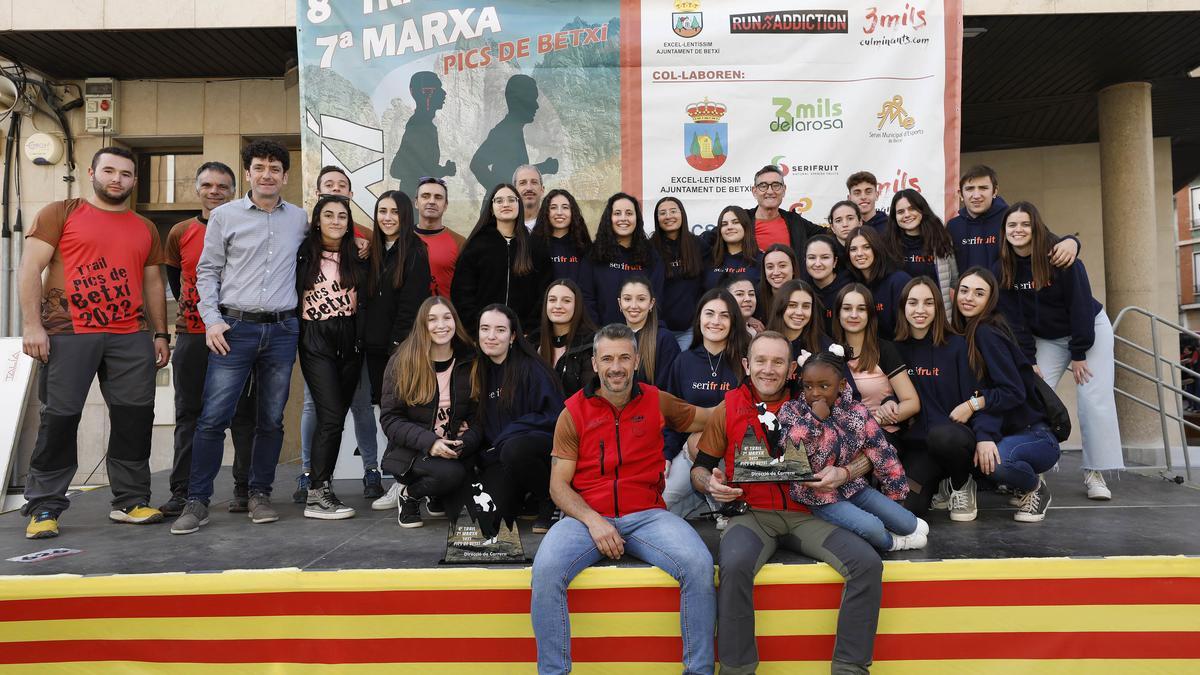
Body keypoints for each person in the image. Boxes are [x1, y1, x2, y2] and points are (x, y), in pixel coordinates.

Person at [690, 331, 884, 675]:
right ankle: (737, 669)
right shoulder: (729, 406)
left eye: (778, 362)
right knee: (733, 567)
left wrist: (844, 471)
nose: (769, 369)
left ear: (792, 368)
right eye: (761, 361)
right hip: (753, 516)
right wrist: (711, 482)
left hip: (810, 513)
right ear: (747, 365)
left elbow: (873, 453)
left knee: (867, 563)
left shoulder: (819, 398)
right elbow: (700, 468)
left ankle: (850, 668)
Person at [532, 323, 715, 675]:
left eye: (624, 358)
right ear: (596, 363)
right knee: (546, 571)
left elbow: (709, 418)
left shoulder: (656, 399)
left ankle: (699, 670)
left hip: (648, 516)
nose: (616, 366)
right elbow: (558, 487)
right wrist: (593, 521)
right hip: (585, 519)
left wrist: (752, 404)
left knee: (699, 564)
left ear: (635, 361)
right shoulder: (572, 412)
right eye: (608, 359)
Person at [19, 146, 171, 539]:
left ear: (134, 180)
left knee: (134, 420)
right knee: (60, 419)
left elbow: (153, 283)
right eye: (109, 171)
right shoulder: (60, 213)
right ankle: (45, 507)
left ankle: (131, 502)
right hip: (69, 333)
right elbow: (30, 268)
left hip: (131, 336)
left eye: (125, 173)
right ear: (92, 173)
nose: (116, 179)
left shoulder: (145, 228)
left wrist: (160, 332)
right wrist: (33, 325)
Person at [172, 139, 307, 535]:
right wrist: (211, 320)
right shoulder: (225, 216)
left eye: (275, 168)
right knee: (213, 418)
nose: (267, 174)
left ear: (285, 176)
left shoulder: (298, 219)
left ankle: (259, 493)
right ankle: (197, 501)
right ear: (248, 173)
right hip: (234, 329)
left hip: (282, 330)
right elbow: (207, 271)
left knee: (271, 419)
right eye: (260, 167)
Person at [995, 201, 1123, 500]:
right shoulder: (1003, 266)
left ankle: (1095, 473)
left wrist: (1079, 353)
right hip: (1046, 339)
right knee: (1034, 397)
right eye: (1012, 225)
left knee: (1094, 399)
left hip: (1088, 329)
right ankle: (1032, 469)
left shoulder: (1061, 258)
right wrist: (1028, 359)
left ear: (1036, 227)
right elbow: (1014, 321)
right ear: (1004, 231)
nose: (1018, 230)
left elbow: (1080, 304)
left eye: (1024, 224)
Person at [160, 161, 255, 517]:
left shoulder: (246, 225)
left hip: (239, 336)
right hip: (193, 336)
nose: (214, 191)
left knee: (245, 416)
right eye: (208, 185)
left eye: (222, 186)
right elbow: (176, 278)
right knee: (189, 414)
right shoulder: (180, 232)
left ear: (233, 191)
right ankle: (182, 490)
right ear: (197, 188)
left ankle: (244, 490)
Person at [781, 346, 927, 552]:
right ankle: (892, 544)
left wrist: (895, 495)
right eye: (808, 386)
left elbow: (881, 452)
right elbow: (791, 450)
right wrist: (814, 420)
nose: (814, 393)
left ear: (841, 385)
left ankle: (899, 528)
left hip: (854, 487)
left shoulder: (856, 412)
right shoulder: (793, 412)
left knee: (910, 524)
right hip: (817, 497)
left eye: (824, 386)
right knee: (874, 528)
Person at [294, 168, 382, 504]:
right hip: (315, 337)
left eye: (342, 215)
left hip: (351, 339)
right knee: (329, 413)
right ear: (317, 220)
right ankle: (316, 487)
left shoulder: (359, 253)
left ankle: (322, 483)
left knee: (341, 414)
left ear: (349, 220)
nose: (335, 220)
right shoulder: (302, 251)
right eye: (328, 215)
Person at [952, 267, 1062, 523]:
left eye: (979, 293)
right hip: (1011, 432)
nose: (969, 298)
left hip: (1036, 435)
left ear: (990, 300)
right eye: (965, 291)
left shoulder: (986, 332)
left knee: (998, 464)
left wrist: (973, 405)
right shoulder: (968, 331)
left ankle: (1035, 488)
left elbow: (1012, 391)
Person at [377, 296, 480, 527]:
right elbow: (390, 419)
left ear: (455, 321)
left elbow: (477, 416)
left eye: (447, 317)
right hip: (412, 452)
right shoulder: (403, 361)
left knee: (474, 474)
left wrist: (467, 441)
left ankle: (437, 496)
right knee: (452, 475)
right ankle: (410, 495)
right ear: (422, 325)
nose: (441, 325)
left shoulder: (470, 360)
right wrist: (431, 442)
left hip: (453, 449)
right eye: (432, 319)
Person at [892, 277, 984, 520]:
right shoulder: (895, 349)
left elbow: (976, 397)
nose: (920, 310)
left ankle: (961, 482)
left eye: (928, 303)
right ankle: (939, 484)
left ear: (938, 308)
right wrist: (887, 406)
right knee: (905, 507)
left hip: (954, 439)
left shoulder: (956, 346)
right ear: (903, 307)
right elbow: (891, 396)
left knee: (942, 436)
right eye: (913, 303)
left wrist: (985, 437)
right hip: (919, 448)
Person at [474, 304, 565, 533]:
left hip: (538, 449)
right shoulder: (478, 370)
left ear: (513, 336)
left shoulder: (532, 369)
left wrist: (509, 434)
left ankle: (550, 498)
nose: (491, 336)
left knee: (514, 449)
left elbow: (555, 417)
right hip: (498, 457)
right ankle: (524, 496)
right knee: (489, 517)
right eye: (485, 329)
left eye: (500, 330)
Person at [662, 289, 748, 519]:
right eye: (709, 313)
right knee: (661, 501)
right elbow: (671, 417)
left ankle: (718, 508)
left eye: (724, 315)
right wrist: (667, 455)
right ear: (699, 317)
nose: (716, 321)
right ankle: (706, 503)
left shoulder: (745, 361)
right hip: (690, 451)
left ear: (733, 321)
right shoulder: (683, 361)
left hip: (734, 453)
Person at [450, 183, 553, 333]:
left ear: (519, 205)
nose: (506, 204)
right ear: (491, 208)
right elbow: (461, 292)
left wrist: (529, 329)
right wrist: (477, 328)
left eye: (511, 200)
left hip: (523, 337)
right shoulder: (476, 246)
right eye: (499, 201)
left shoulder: (535, 246)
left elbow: (544, 292)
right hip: (483, 336)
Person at [364, 190, 432, 404]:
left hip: (398, 351)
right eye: (382, 211)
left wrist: (396, 347)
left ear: (405, 215)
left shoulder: (416, 252)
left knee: (398, 409)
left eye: (395, 212)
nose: (387, 217)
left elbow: (411, 308)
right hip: (370, 349)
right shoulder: (372, 250)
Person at [831, 284, 920, 440]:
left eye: (861, 309)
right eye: (847, 308)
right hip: (842, 437)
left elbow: (912, 403)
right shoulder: (830, 352)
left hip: (882, 434)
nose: (853, 314)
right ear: (838, 313)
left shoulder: (884, 350)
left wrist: (874, 422)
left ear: (870, 314)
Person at [947, 165, 1079, 270]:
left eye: (983, 188)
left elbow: (1048, 240)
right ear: (960, 194)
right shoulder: (953, 226)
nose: (976, 195)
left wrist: (1072, 242)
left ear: (995, 191)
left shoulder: (1012, 218)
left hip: (1007, 300)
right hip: (970, 300)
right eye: (970, 189)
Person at [581, 193, 665, 325]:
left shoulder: (650, 255)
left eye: (629, 213)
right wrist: (597, 333)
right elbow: (586, 298)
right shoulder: (594, 254)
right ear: (609, 218)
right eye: (617, 213)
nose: (623, 218)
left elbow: (656, 298)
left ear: (637, 218)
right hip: (603, 336)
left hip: (642, 335)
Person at [470, 74, 558, 191]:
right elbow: (477, 164)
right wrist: (499, 192)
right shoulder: (504, 132)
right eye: (532, 99)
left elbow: (513, 172)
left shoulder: (513, 130)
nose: (536, 106)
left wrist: (544, 167)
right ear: (518, 101)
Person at [883, 189, 957, 313]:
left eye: (912, 208)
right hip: (902, 317)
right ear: (895, 217)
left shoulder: (941, 240)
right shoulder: (887, 246)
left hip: (937, 316)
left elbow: (954, 280)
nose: (907, 215)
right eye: (900, 212)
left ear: (922, 209)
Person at [389, 71, 456, 198]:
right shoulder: (418, 126)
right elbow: (397, 169)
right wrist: (442, 171)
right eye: (439, 89)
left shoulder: (424, 125)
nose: (444, 93)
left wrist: (443, 170)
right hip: (414, 201)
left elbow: (424, 167)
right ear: (427, 93)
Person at [650, 196, 704, 350]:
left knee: (682, 370)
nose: (668, 216)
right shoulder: (649, 249)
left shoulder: (697, 245)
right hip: (657, 329)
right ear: (657, 218)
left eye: (673, 211)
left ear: (682, 214)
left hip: (690, 329)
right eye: (662, 213)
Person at [845, 226, 912, 340]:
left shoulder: (899, 281)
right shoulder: (851, 284)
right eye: (853, 249)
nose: (859, 253)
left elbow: (907, 329)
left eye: (866, 247)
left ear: (876, 248)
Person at [740, 164, 824, 252]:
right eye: (763, 186)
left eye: (776, 185)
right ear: (754, 191)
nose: (770, 191)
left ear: (783, 190)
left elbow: (830, 235)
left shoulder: (795, 221)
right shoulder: (741, 220)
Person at [535, 279, 596, 397]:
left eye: (566, 301)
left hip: (574, 413)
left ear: (577, 305)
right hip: (538, 414)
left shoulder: (591, 343)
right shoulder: (533, 342)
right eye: (552, 300)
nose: (558, 306)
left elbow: (589, 396)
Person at [618, 275, 680, 386]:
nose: (633, 306)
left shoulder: (665, 339)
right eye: (627, 299)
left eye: (641, 299)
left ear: (651, 303)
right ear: (620, 303)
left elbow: (669, 388)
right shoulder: (612, 338)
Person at [414, 176, 466, 298]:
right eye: (425, 196)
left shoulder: (459, 242)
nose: (431, 201)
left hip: (444, 314)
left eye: (438, 197)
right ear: (416, 202)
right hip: (408, 315)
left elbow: (465, 288)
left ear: (446, 205)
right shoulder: (401, 239)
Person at [531, 188, 591, 287]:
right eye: (553, 207)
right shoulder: (534, 245)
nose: (559, 212)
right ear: (546, 212)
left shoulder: (584, 247)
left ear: (573, 212)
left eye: (565, 207)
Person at [804, 234, 852, 333]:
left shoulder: (849, 290)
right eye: (812, 257)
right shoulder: (801, 290)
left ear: (835, 261)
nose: (817, 263)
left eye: (825, 257)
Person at [704, 205, 760, 289]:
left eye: (735, 222)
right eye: (724, 224)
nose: (729, 227)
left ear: (745, 227)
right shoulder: (708, 258)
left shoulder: (760, 260)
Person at [757, 243, 798, 326]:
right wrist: (747, 319)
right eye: (770, 267)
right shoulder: (754, 297)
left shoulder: (806, 296)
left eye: (782, 266)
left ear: (793, 269)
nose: (776, 272)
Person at [513, 164, 545, 231]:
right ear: (514, 191)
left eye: (534, 182)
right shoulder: (504, 227)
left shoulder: (555, 226)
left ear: (542, 190)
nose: (529, 188)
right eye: (523, 183)